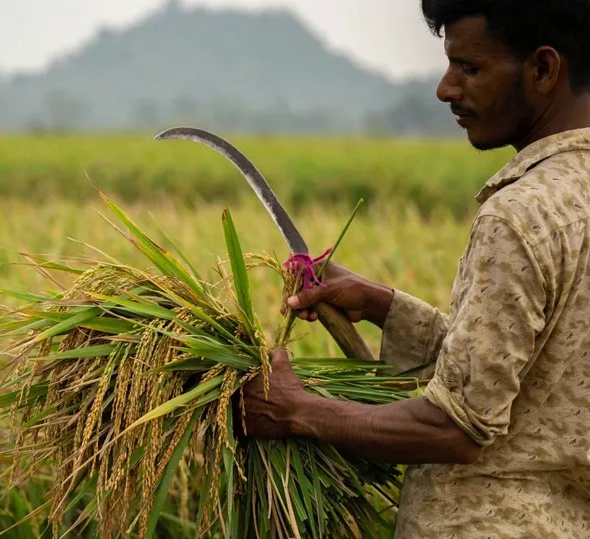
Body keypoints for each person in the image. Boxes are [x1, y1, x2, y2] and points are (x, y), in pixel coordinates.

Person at [237, 1, 590, 537]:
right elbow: (520, 374)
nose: (445, 88)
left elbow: (456, 427)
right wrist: (382, 305)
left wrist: (294, 410)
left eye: (469, 67)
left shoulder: (520, 216)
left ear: (543, 69)